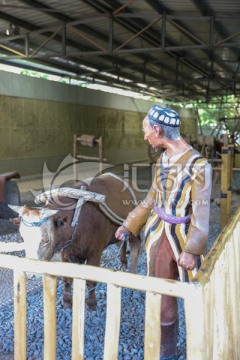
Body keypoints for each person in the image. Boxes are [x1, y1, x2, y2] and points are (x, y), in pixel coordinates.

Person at [115, 104, 212, 360]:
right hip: (158, 236)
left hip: (182, 238)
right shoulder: (163, 159)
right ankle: (166, 351)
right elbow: (151, 199)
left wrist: (193, 249)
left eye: (146, 129)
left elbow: (202, 216)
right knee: (160, 296)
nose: (144, 135)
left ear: (158, 130)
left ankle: (200, 348)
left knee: (194, 295)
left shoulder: (199, 166)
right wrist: (130, 224)